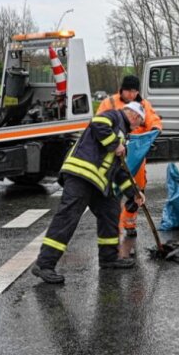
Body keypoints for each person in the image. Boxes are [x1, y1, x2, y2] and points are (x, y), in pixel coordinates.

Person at [32, 102, 146, 284]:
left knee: (110, 211)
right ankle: (44, 264)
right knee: (68, 217)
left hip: (98, 183)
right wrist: (115, 144)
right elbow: (98, 123)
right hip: (81, 175)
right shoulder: (114, 116)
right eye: (139, 122)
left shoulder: (123, 136)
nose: (138, 127)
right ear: (134, 115)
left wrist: (134, 193)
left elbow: (120, 171)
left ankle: (108, 258)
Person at [97, 75, 162, 258]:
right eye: (129, 91)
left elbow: (152, 119)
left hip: (136, 154)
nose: (132, 94)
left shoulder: (143, 104)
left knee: (137, 189)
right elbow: (98, 125)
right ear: (122, 89)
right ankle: (114, 229)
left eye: (135, 91)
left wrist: (156, 129)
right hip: (115, 153)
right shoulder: (109, 103)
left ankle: (130, 224)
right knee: (115, 191)